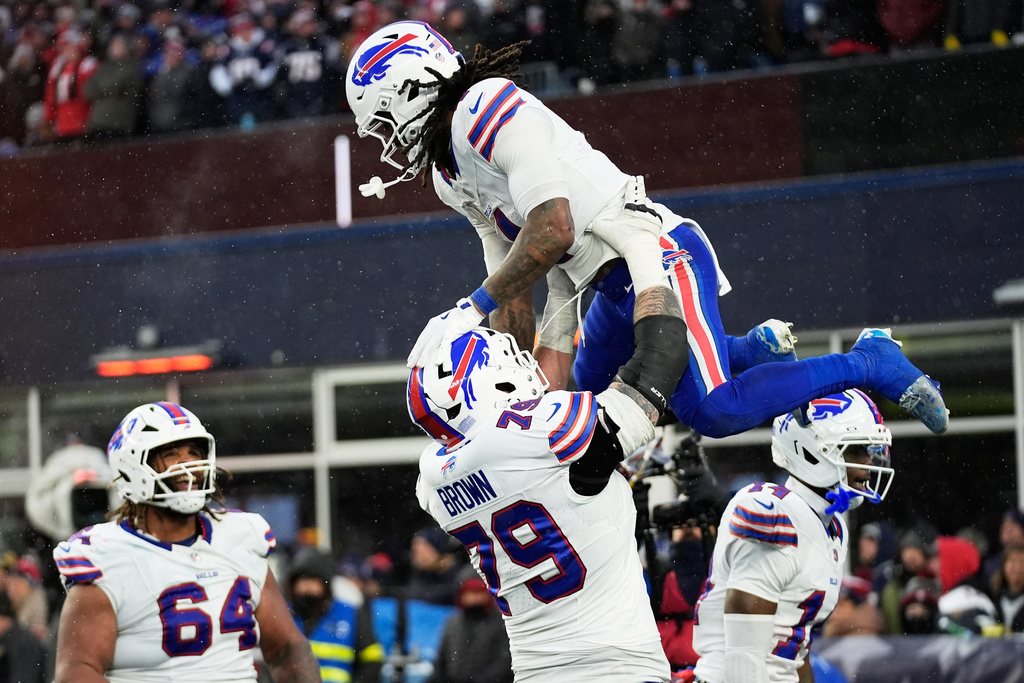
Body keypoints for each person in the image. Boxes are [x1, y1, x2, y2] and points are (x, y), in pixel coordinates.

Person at [345, 20, 949, 446]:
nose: (384, 142)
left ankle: (868, 361)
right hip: (601, 292)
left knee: (712, 410)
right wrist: (523, 377)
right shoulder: (450, 177)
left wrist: (464, 313)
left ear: (410, 88)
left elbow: (552, 231)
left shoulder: (486, 106)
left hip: (655, 257)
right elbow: (511, 287)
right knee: (573, 419)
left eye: (379, 122)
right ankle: (744, 350)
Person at [409, 325, 678, 682]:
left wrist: (560, 298)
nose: (522, 369)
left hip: (536, 672)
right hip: (617, 669)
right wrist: (651, 272)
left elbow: (520, 444)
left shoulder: (433, 481)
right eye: (503, 368)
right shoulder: (536, 438)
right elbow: (664, 352)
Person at [51, 401, 320, 683]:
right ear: (134, 465)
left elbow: (288, 648)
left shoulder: (240, 537)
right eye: (171, 453)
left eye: (194, 452)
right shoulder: (105, 556)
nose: (189, 463)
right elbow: (77, 672)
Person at [691, 389, 896, 683]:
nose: (868, 465)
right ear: (810, 450)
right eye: (856, 450)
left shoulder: (833, 527)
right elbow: (744, 655)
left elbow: (796, 648)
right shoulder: (771, 512)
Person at [287, 547, 385, 683]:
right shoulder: (284, 616)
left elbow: (372, 661)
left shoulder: (350, 614)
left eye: (312, 579)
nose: (306, 587)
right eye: (301, 580)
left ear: (325, 583)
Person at [428, 574, 514, 683]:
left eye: (478, 592)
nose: (474, 598)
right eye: (470, 593)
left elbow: (503, 663)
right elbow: (442, 659)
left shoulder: (501, 623)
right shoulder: (452, 622)